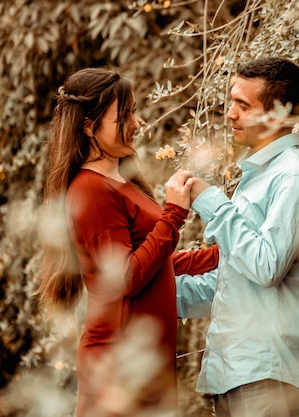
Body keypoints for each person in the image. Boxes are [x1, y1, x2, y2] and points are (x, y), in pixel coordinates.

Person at [36, 67, 218, 417]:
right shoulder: (91, 191)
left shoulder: (116, 181)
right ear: (89, 127)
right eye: (124, 115)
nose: (137, 122)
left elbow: (154, 264)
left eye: (134, 110)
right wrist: (174, 213)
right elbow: (127, 277)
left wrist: (220, 256)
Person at [176, 57, 299, 417]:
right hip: (235, 375)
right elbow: (237, 283)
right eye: (232, 102)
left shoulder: (294, 180)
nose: (230, 114)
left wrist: (210, 201)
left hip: (269, 378)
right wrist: (155, 293)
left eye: (243, 105)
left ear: (277, 114)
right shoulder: (259, 178)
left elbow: (266, 267)